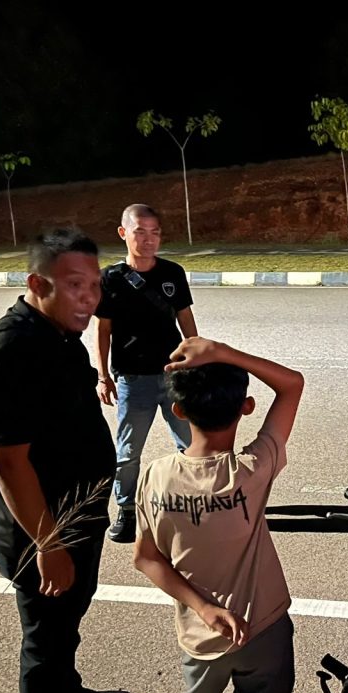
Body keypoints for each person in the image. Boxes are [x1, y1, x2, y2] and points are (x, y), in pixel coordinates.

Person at [0, 229, 142, 693]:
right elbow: (7, 460)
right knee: (45, 639)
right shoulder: (10, 350)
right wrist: (49, 543)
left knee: (65, 626)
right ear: (37, 283)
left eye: (94, 285)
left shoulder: (58, 333)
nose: (89, 298)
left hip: (76, 515)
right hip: (42, 528)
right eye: (74, 285)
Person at [133, 336, 304, 693]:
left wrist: (205, 608)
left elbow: (146, 557)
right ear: (246, 407)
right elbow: (292, 384)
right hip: (263, 626)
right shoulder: (251, 471)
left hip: (202, 632)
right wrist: (224, 353)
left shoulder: (156, 476)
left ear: (178, 410)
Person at [95, 203, 198, 543]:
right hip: (133, 380)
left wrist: (196, 361)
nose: (148, 239)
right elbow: (103, 330)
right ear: (123, 233)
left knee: (190, 445)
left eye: (155, 232)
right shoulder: (110, 279)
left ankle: (194, 505)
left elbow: (186, 320)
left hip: (173, 375)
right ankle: (126, 510)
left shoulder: (173, 273)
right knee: (128, 452)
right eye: (140, 231)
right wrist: (103, 376)